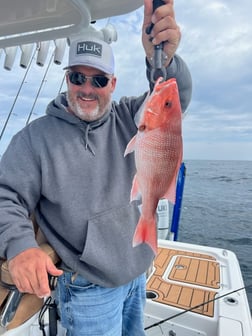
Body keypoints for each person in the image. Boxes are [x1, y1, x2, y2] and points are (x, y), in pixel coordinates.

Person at [0, 0, 192, 335]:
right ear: (68, 79)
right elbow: (6, 197)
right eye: (78, 77)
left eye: (99, 80)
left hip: (136, 271)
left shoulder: (131, 117)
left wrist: (164, 59)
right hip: (86, 286)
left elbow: (174, 99)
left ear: (113, 84)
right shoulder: (33, 139)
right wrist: (21, 248)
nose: (88, 89)